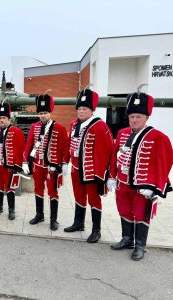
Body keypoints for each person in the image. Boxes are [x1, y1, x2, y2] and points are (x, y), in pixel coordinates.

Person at [107, 92, 172, 261]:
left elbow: (164, 163)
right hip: (122, 183)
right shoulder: (121, 133)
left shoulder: (158, 137)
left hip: (142, 187)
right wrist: (112, 176)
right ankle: (127, 239)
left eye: (138, 116)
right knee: (124, 211)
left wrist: (153, 186)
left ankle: (140, 245)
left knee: (141, 213)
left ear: (146, 117)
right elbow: (115, 156)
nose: (134, 120)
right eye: (132, 116)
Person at [64, 89, 113, 243]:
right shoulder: (73, 124)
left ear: (92, 110)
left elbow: (107, 151)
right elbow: (68, 144)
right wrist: (65, 161)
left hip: (91, 171)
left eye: (85, 108)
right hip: (75, 169)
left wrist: (104, 175)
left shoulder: (100, 126)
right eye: (79, 108)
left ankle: (96, 230)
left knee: (94, 199)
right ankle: (78, 223)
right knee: (78, 197)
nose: (81, 111)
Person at [22, 94, 69, 230]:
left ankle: (53, 220)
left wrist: (65, 163)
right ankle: (39, 215)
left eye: (45, 113)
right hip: (37, 165)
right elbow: (28, 145)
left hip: (51, 167)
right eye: (41, 113)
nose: (43, 115)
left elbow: (65, 147)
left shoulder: (59, 127)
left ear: (50, 113)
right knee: (38, 189)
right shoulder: (34, 127)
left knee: (53, 192)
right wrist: (25, 162)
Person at [0, 102, 25, 220]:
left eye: (4, 118)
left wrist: (20, 165)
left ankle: (11, 210)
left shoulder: (16, 131)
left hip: (9, 166)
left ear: (8, 118)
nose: (1, 120)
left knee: (10, 188)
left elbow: (21, 150)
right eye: (0, 118)